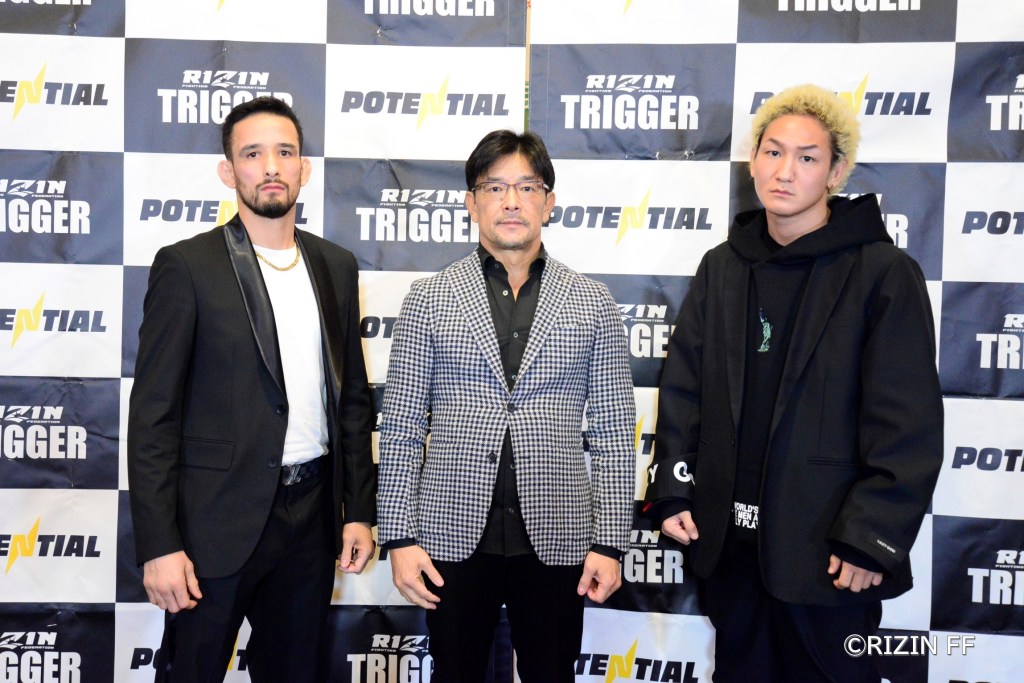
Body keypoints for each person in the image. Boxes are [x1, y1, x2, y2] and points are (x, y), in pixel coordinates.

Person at [643, 84, 943, 682]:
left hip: (827, 560)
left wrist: (870, 538)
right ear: (753, 160)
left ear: (837, 171)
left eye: (807, 157)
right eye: (772, 152)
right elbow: (685, 390)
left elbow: (906, 425)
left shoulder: (883, 274)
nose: (785, 171)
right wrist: (675, 490)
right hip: (732, 553)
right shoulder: (723, 265)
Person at [127, 96, 376, 683]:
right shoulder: (187, 266)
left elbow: (353, 400)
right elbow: (152, 416)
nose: (270, 166)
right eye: (252, 153)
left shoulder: (335, 266)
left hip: (311, 517)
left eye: (284, 152)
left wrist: (357, 510)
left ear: (303, 169)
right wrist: (159, 544)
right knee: (191, 670)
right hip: (213, 523)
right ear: (228, 171)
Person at [377, 130, 636, 682]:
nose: (512, 201)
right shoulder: (429, 299)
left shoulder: (593, 303)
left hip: (559, 536)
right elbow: (399, 426)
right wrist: (398, 536)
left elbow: (614, 431)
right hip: (450, 534)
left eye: (526, 186)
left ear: (549, 200)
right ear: (472, 202)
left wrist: (610, 541)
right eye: (495, 187)